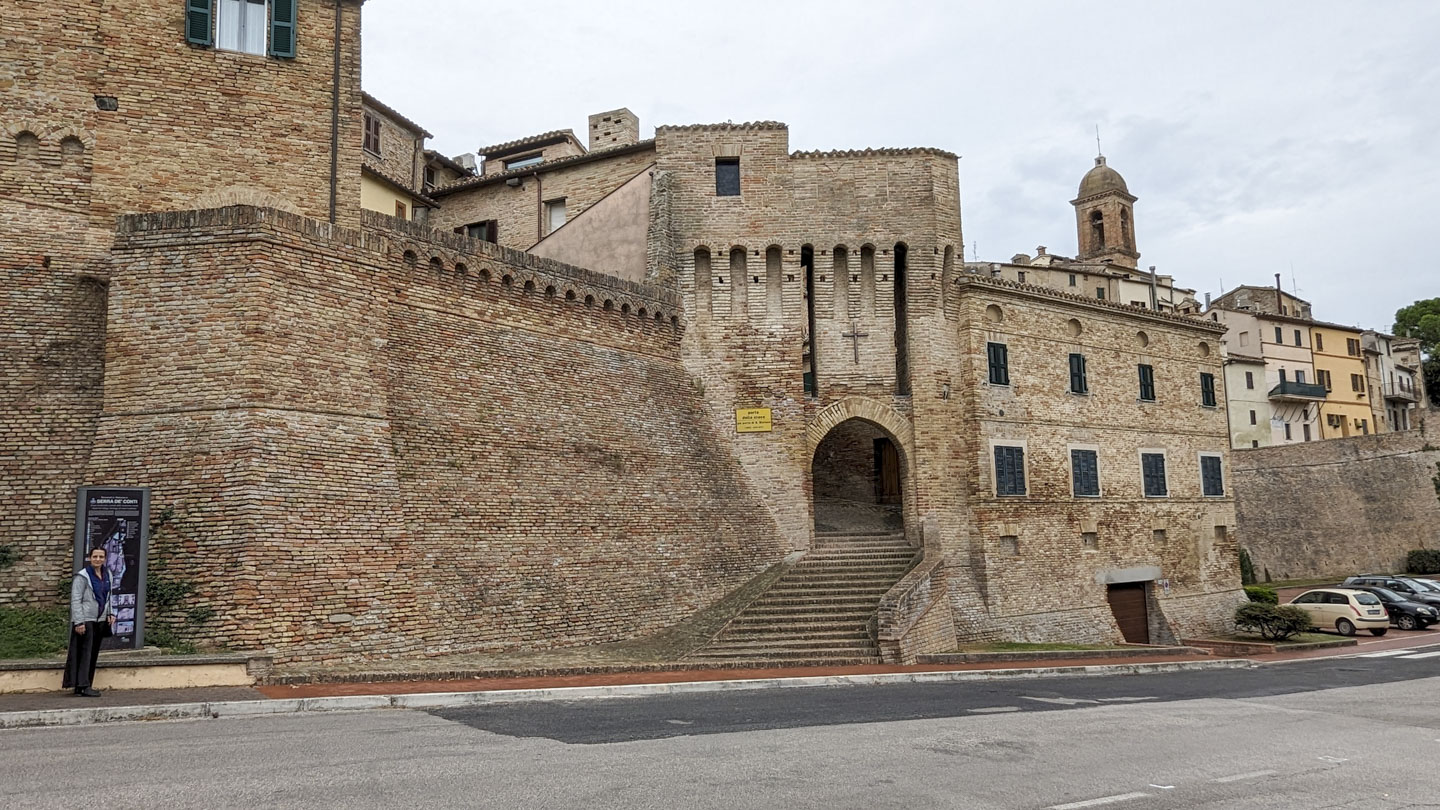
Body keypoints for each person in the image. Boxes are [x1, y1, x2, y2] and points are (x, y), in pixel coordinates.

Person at [63, 546, 114, 697]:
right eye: (95, 557)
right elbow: (76, 600)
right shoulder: (82, 576)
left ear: (105, 559)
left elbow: (108, 596)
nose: (98, 559)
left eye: (101, 557)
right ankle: (82, 685)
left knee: (92, 653)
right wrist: (79, 622)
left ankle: (85, 684)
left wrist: (110, 613)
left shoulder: (107, 574)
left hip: (100, 619)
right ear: (90, 558)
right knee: (83, 653)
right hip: (86, 620)